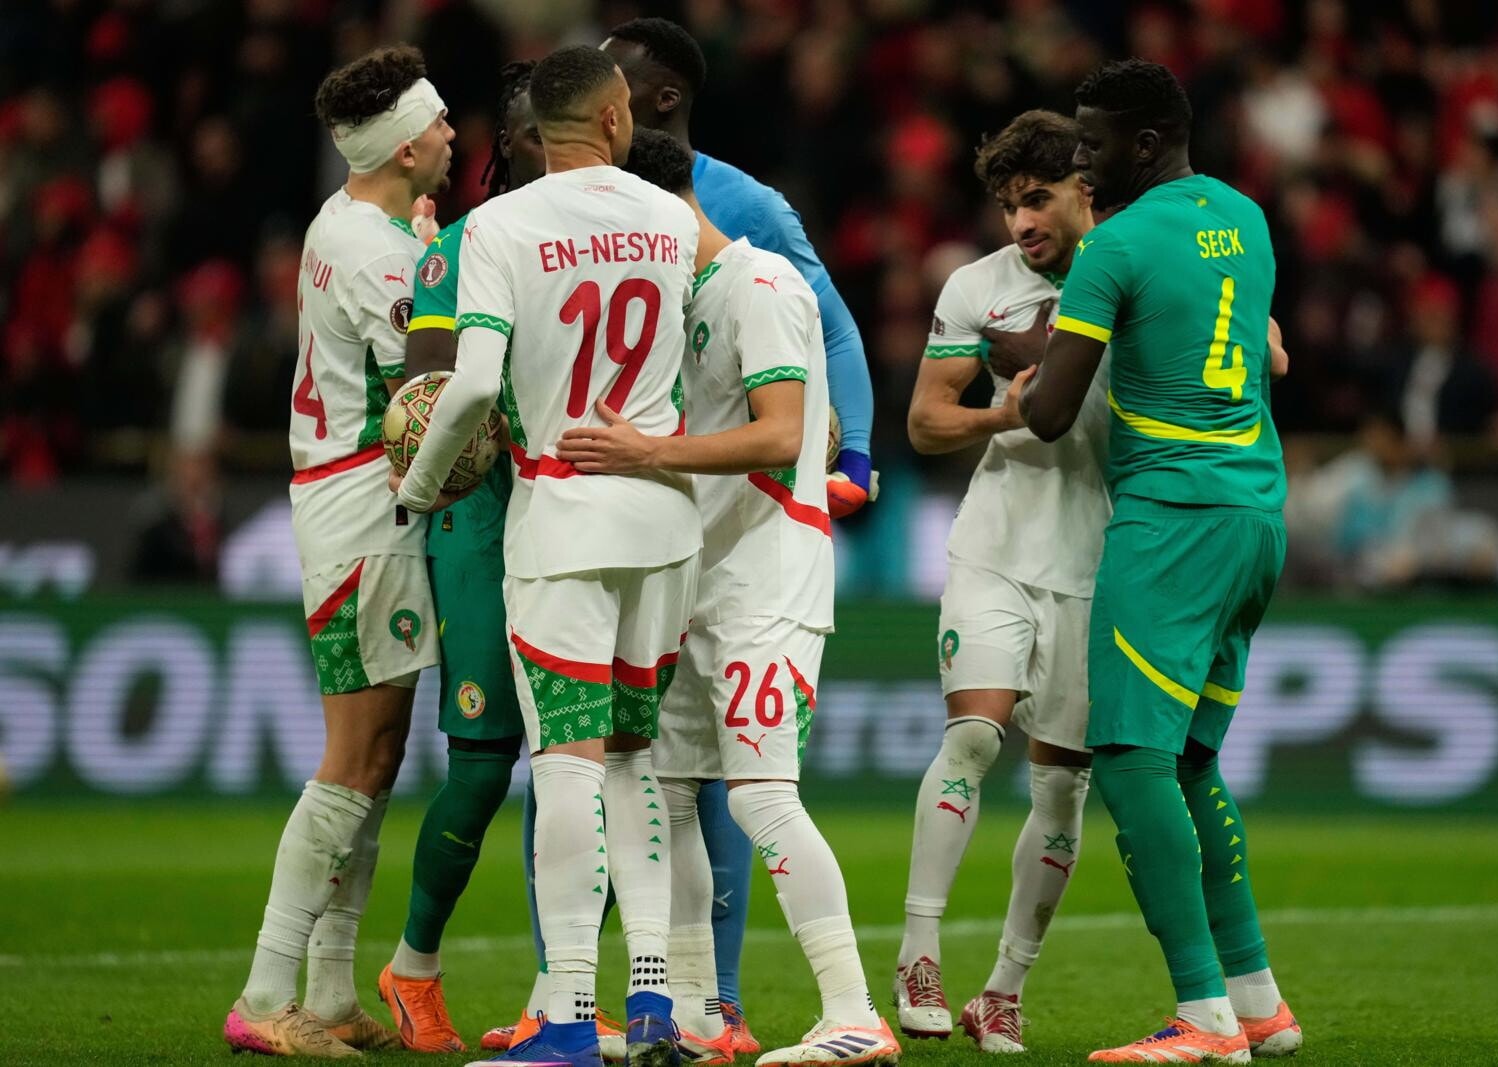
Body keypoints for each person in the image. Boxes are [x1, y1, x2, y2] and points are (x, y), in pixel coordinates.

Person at [562, 127, 902, 1067]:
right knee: (668, 794)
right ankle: (701, 1012)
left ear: (667, 203)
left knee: (760, 796)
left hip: (767, 579)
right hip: (694, 577)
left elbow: (781, 432)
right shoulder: (682, 298)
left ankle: (854, 1013)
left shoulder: (762, 283)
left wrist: (649, 453)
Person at [393, 45, 699, 1067]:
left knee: (566, 764)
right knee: (637, 760)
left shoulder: (501, 226)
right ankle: (652, 1003)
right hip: (663, 521)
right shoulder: (669, 217)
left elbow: (473, 385)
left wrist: (416, 485)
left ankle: (566, 1016)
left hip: (562, 520)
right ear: (615, 119)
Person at [1020, 59, 1301, 1063]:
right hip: (1255, 513)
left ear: (1144, 144)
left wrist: (1020, 372)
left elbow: (1051, 415)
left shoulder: (1117, 244)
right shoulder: (1246, 217)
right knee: (1190, 761)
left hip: (1171, 520)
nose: (1081, 162)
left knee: (1132, 760)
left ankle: (1204, 1016)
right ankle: (1258, 1000)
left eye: (1093, 144)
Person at [223, 44, 453, 1057]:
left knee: (381, 756)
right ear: (403, 147)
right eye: (437, 121)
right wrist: (438, 277)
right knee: (355, 757)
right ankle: (264, 993)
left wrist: (426, 252)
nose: (452, 133)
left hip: (352, 504)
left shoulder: (347, 222)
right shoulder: (379, 256)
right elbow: (430, 390)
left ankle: (326, 992)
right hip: (366, 509)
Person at [895, 110, 1106, 1054]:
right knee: (975, 735)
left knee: (1061, 792)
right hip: (996, 541)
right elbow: (925, 421)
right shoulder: (978, 287)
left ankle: (1004, 990)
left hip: (1099, 559)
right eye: (1009, 204)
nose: (1021, 221)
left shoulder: (1136, 270)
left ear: (1086, 191)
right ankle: (918, 953)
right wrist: (1001, 417)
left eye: (1038, 199)